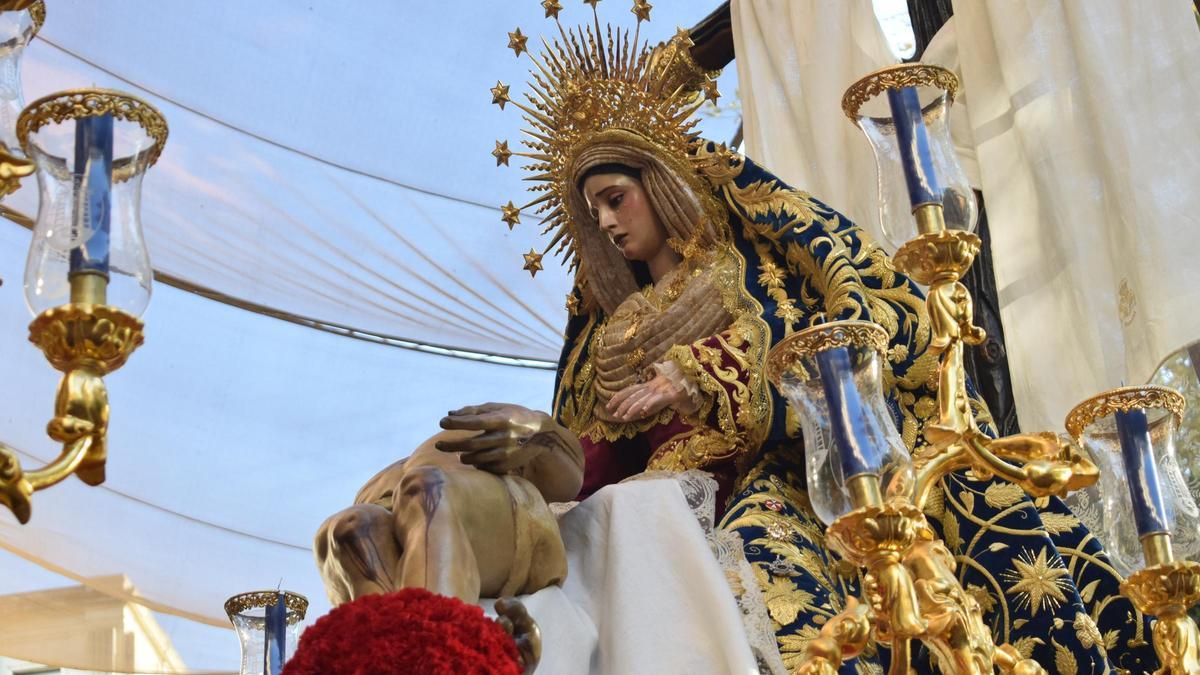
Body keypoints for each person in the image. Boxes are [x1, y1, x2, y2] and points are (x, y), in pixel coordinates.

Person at [482, 17, 1160, 673]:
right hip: (645, 511)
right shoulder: (611, 329)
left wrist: (705, 376)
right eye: (592, 211)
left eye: (615, 197)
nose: (605, 222)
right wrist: (543, 453)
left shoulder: (742, 271)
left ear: (658, 182)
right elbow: (592, 453)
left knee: (771, 579)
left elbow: (841, 333)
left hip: (771, 478)